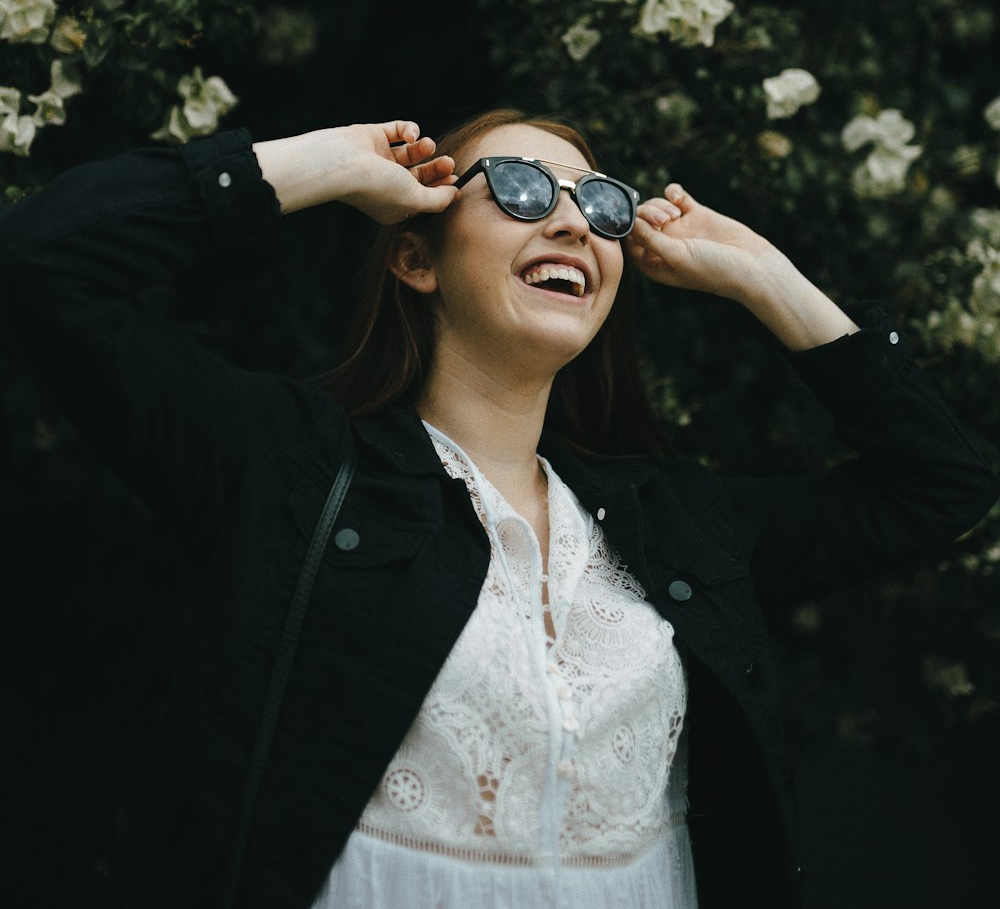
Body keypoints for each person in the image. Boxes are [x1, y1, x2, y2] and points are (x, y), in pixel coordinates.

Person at [1, 109, 995, 909]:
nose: (570, 223)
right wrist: (324, 165)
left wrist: (763, 279)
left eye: (601, 207)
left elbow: (939, 486)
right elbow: (41, 264)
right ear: (414, 257)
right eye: (519, 191)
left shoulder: (677, 524)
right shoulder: (289, 467)